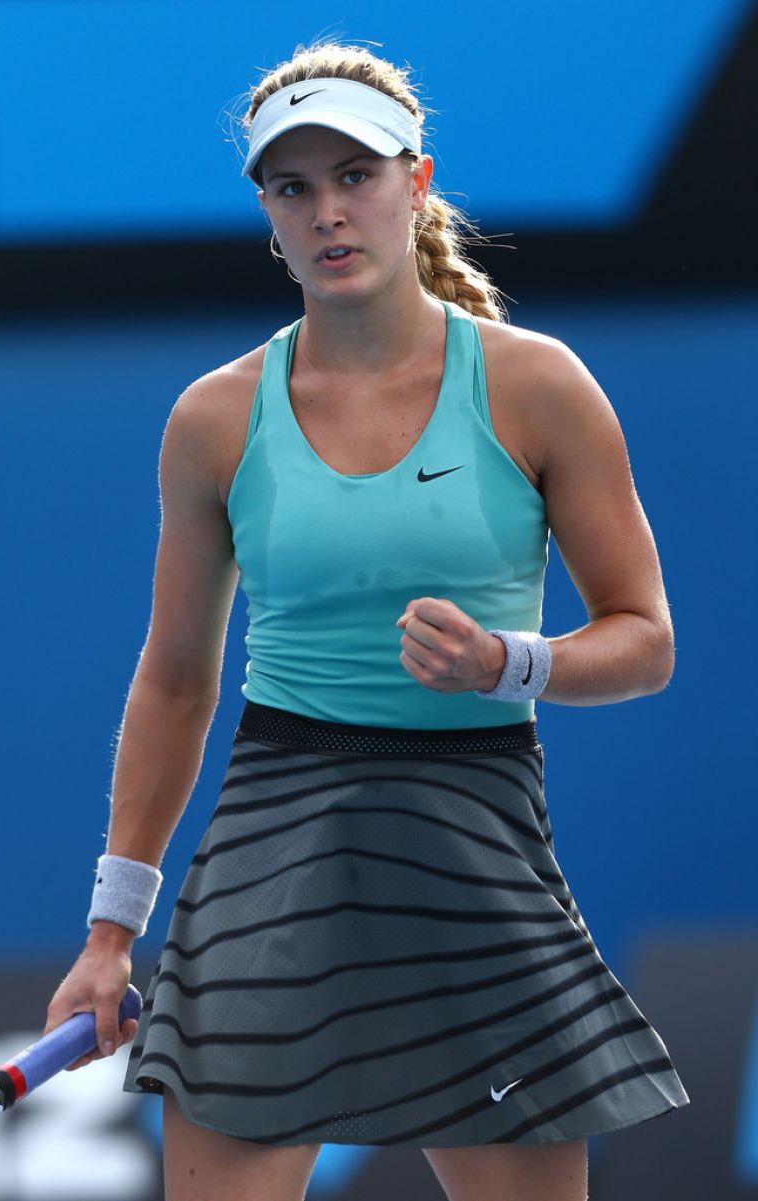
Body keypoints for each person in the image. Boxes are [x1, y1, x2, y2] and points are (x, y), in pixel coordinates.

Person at [44, 38, 690, 1201]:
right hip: (271, 843)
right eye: (292, 187)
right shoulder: (213, 419)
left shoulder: (538, 385)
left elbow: (642, 637)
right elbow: (177, 680)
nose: (327, 212)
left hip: (471, 830)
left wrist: (511, 661)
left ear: (417, 182)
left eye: (356, 174)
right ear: (267, 217)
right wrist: (109, 931)